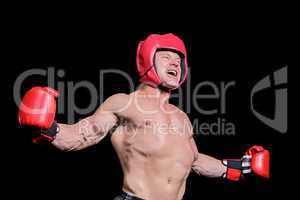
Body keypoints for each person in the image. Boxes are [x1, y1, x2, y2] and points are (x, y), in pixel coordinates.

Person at [18, 33, 269, 200]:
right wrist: (47, 128)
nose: (175, 63)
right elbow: (82, 136)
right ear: (148, 60)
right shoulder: (124, 103)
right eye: (166, 56)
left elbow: (193, 161)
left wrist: (241, 166)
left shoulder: (181, 117)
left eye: (179, 59)